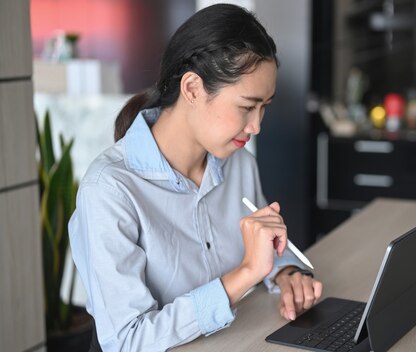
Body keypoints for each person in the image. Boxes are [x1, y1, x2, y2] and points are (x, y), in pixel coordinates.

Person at [69, 4, 323, 351]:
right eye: (247, 106)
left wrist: (286, 273)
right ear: (192, 89)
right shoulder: (110, 190)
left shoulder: (239, 164)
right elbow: (127, 340)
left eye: (265, 107)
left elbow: (268, 245)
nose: (256, 126)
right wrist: (245, 274)